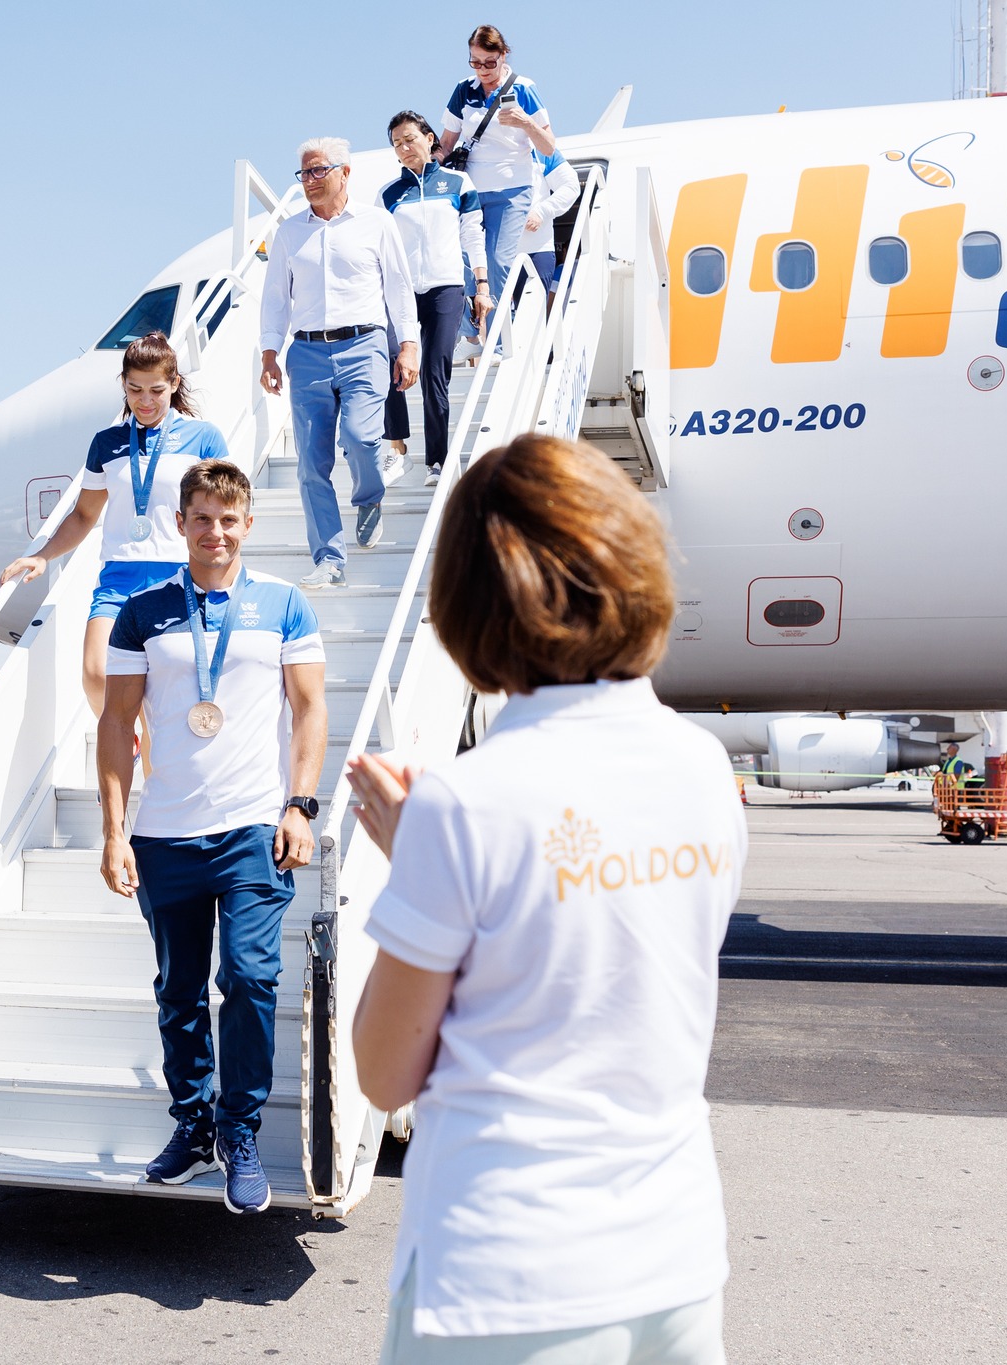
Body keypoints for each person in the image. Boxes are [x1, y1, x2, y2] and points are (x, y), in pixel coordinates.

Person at [347, 433, 744, 1363]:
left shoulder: (463, 803)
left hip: (509, 1280)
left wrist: (418, 867)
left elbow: (383, 1073)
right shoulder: (702, 766)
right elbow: (614, 956)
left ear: (469, 606)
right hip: (677, 1257)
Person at [96, 458, 328, 1215]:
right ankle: (193, 1126)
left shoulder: (284, 605)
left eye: (229, 520)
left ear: (247, 525)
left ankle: (241, 1131)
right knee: (179, 992)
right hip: (164, 834)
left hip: (252, 829)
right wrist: (114, 830)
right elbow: (114, 723)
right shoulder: (144, 610)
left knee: (252, 979)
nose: (215, 531)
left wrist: (300, 805)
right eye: (202, 518)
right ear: (181, 523)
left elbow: (310, 710)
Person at [0, 332, 229, 723]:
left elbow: (225, 514)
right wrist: (41, 556)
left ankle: (146, 756)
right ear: (123, 384)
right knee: (95, 674)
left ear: (174, 384)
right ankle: (129, 739)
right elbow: (84, 516)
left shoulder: (203, 438)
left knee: (160, 697)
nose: (144, 400)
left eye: (156, 390)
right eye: (134, 389)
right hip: (119, 576)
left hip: (176, 577)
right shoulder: (106, 444)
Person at [259, 136, 419, 589]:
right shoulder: (290, 233)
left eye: (318, 171)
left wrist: (408, 345)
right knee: (311, 464)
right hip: (306, 353)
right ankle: (329, 559)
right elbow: (274, 300)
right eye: (304, 173)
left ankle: (369, 497)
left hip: (364, 346)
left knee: (363, 437)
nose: (309, 181)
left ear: (344, 173)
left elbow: (399, 291)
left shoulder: (376, 223)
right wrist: (269, 354)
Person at [379, 110, 489, 488]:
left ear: (429, 138)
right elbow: (381, 250)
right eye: (396, 144)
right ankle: (397, 451)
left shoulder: (458, 183)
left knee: (434, 373)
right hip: (402, 291)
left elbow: (473, 236)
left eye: (409, 139)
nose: (404, 148)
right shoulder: (390, 195)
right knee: (392, 362)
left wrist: (482, 285)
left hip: (446, 288)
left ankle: (437, 462)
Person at [436, 25, 555, 318]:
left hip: (512, 189)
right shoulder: (464, 90)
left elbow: (549, 146)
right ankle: (473, 335)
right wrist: (428, 164)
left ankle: (499, 340)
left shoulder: (523, 87)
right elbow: (446, 144)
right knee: (463, 262)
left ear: (503, 56)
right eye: (475, 63)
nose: (483, 70)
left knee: (498, 261)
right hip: (471, 189)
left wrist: (526, 123)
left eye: (489, 63)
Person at [520, 146, 581, 306]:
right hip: (493, 254)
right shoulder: (479, 150)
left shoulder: (542, 151)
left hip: (536, 249)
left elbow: (571, 186)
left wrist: (542, 212)